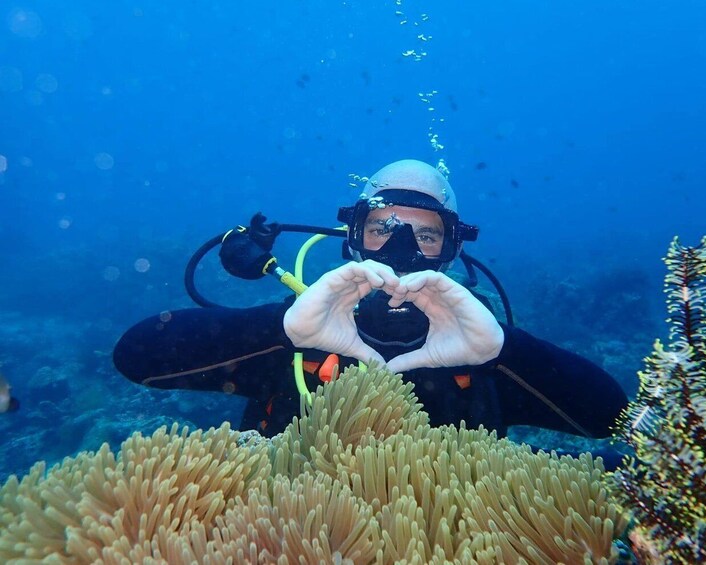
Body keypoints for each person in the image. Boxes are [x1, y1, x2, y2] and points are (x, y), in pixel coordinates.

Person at [113, 159, 628, 455]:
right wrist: (280, 331)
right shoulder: (298, 334)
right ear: (352, 237)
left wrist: (502, 350)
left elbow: (612, 416)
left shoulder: (484, 353)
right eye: (382, 228)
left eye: (427, 235)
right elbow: (136, 357)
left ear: (451, 251)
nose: (402, 249)